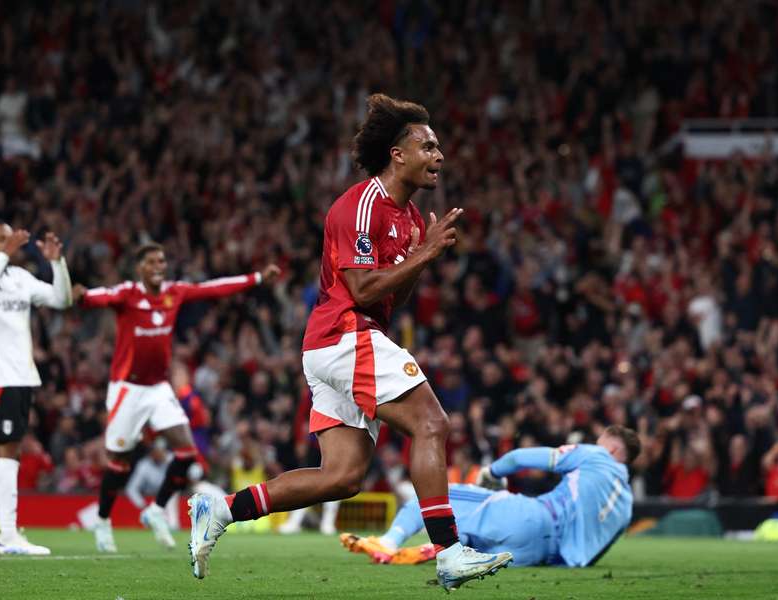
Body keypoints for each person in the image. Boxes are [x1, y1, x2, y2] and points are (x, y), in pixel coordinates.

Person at [188, 94, 512, 591]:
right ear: (398, 153)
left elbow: (393, 296)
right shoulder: (362, 203)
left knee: (343, 476)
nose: (439, 156)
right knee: (432, 422)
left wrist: (420, 256)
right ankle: (449, 552)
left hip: (343, 341)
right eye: (427, 146)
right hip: (344, 332)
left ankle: (224, 508)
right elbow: (361, 290)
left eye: (439, 147)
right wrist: (422, 254)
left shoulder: (406, 219)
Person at [72, 242, 280, 552]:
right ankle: (103, 521)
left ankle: (156, 511)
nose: (159, 266)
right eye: (152, 261)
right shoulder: (127, 293)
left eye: (162, 260)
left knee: (186, 453)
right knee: (120, 462)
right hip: (127, 389)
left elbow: (212, 289)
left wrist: (257, 279)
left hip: (158, 388)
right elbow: (95, 297)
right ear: (140, 267)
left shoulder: (175, 291)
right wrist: (83, 295)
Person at [342, 426, 640, 568]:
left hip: (534, 517)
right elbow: (592, 556)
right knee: (475, 538)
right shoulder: (626, 508)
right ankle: (439, 549)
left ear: (612, 450)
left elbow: (522, 457)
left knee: (433, 497)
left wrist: (493, 473)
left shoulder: (598, 456)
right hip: (537, 557)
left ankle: (388, 542)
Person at [0, 220, 73, 555]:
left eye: (10, 240)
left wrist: (56, 263)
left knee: (0, 455)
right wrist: (4, 257)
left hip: (22, 376)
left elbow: (61, 299)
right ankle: (7, 534)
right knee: (7, 451)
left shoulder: (20, 279)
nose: (8, 244)